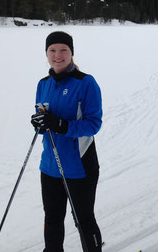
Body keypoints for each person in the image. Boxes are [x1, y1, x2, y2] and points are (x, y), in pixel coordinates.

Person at [30, 31, 103, 252]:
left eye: (63, 50)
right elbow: (45, 119)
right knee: (52, 218)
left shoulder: (85, 83)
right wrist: (40, 124)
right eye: (52, 50)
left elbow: (93, 124)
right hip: (50, 165)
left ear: (71, 53)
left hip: (79, 165)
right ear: (46, 53)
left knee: (84, 219)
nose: (57, 55)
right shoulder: (43, 84)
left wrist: (61, 125)